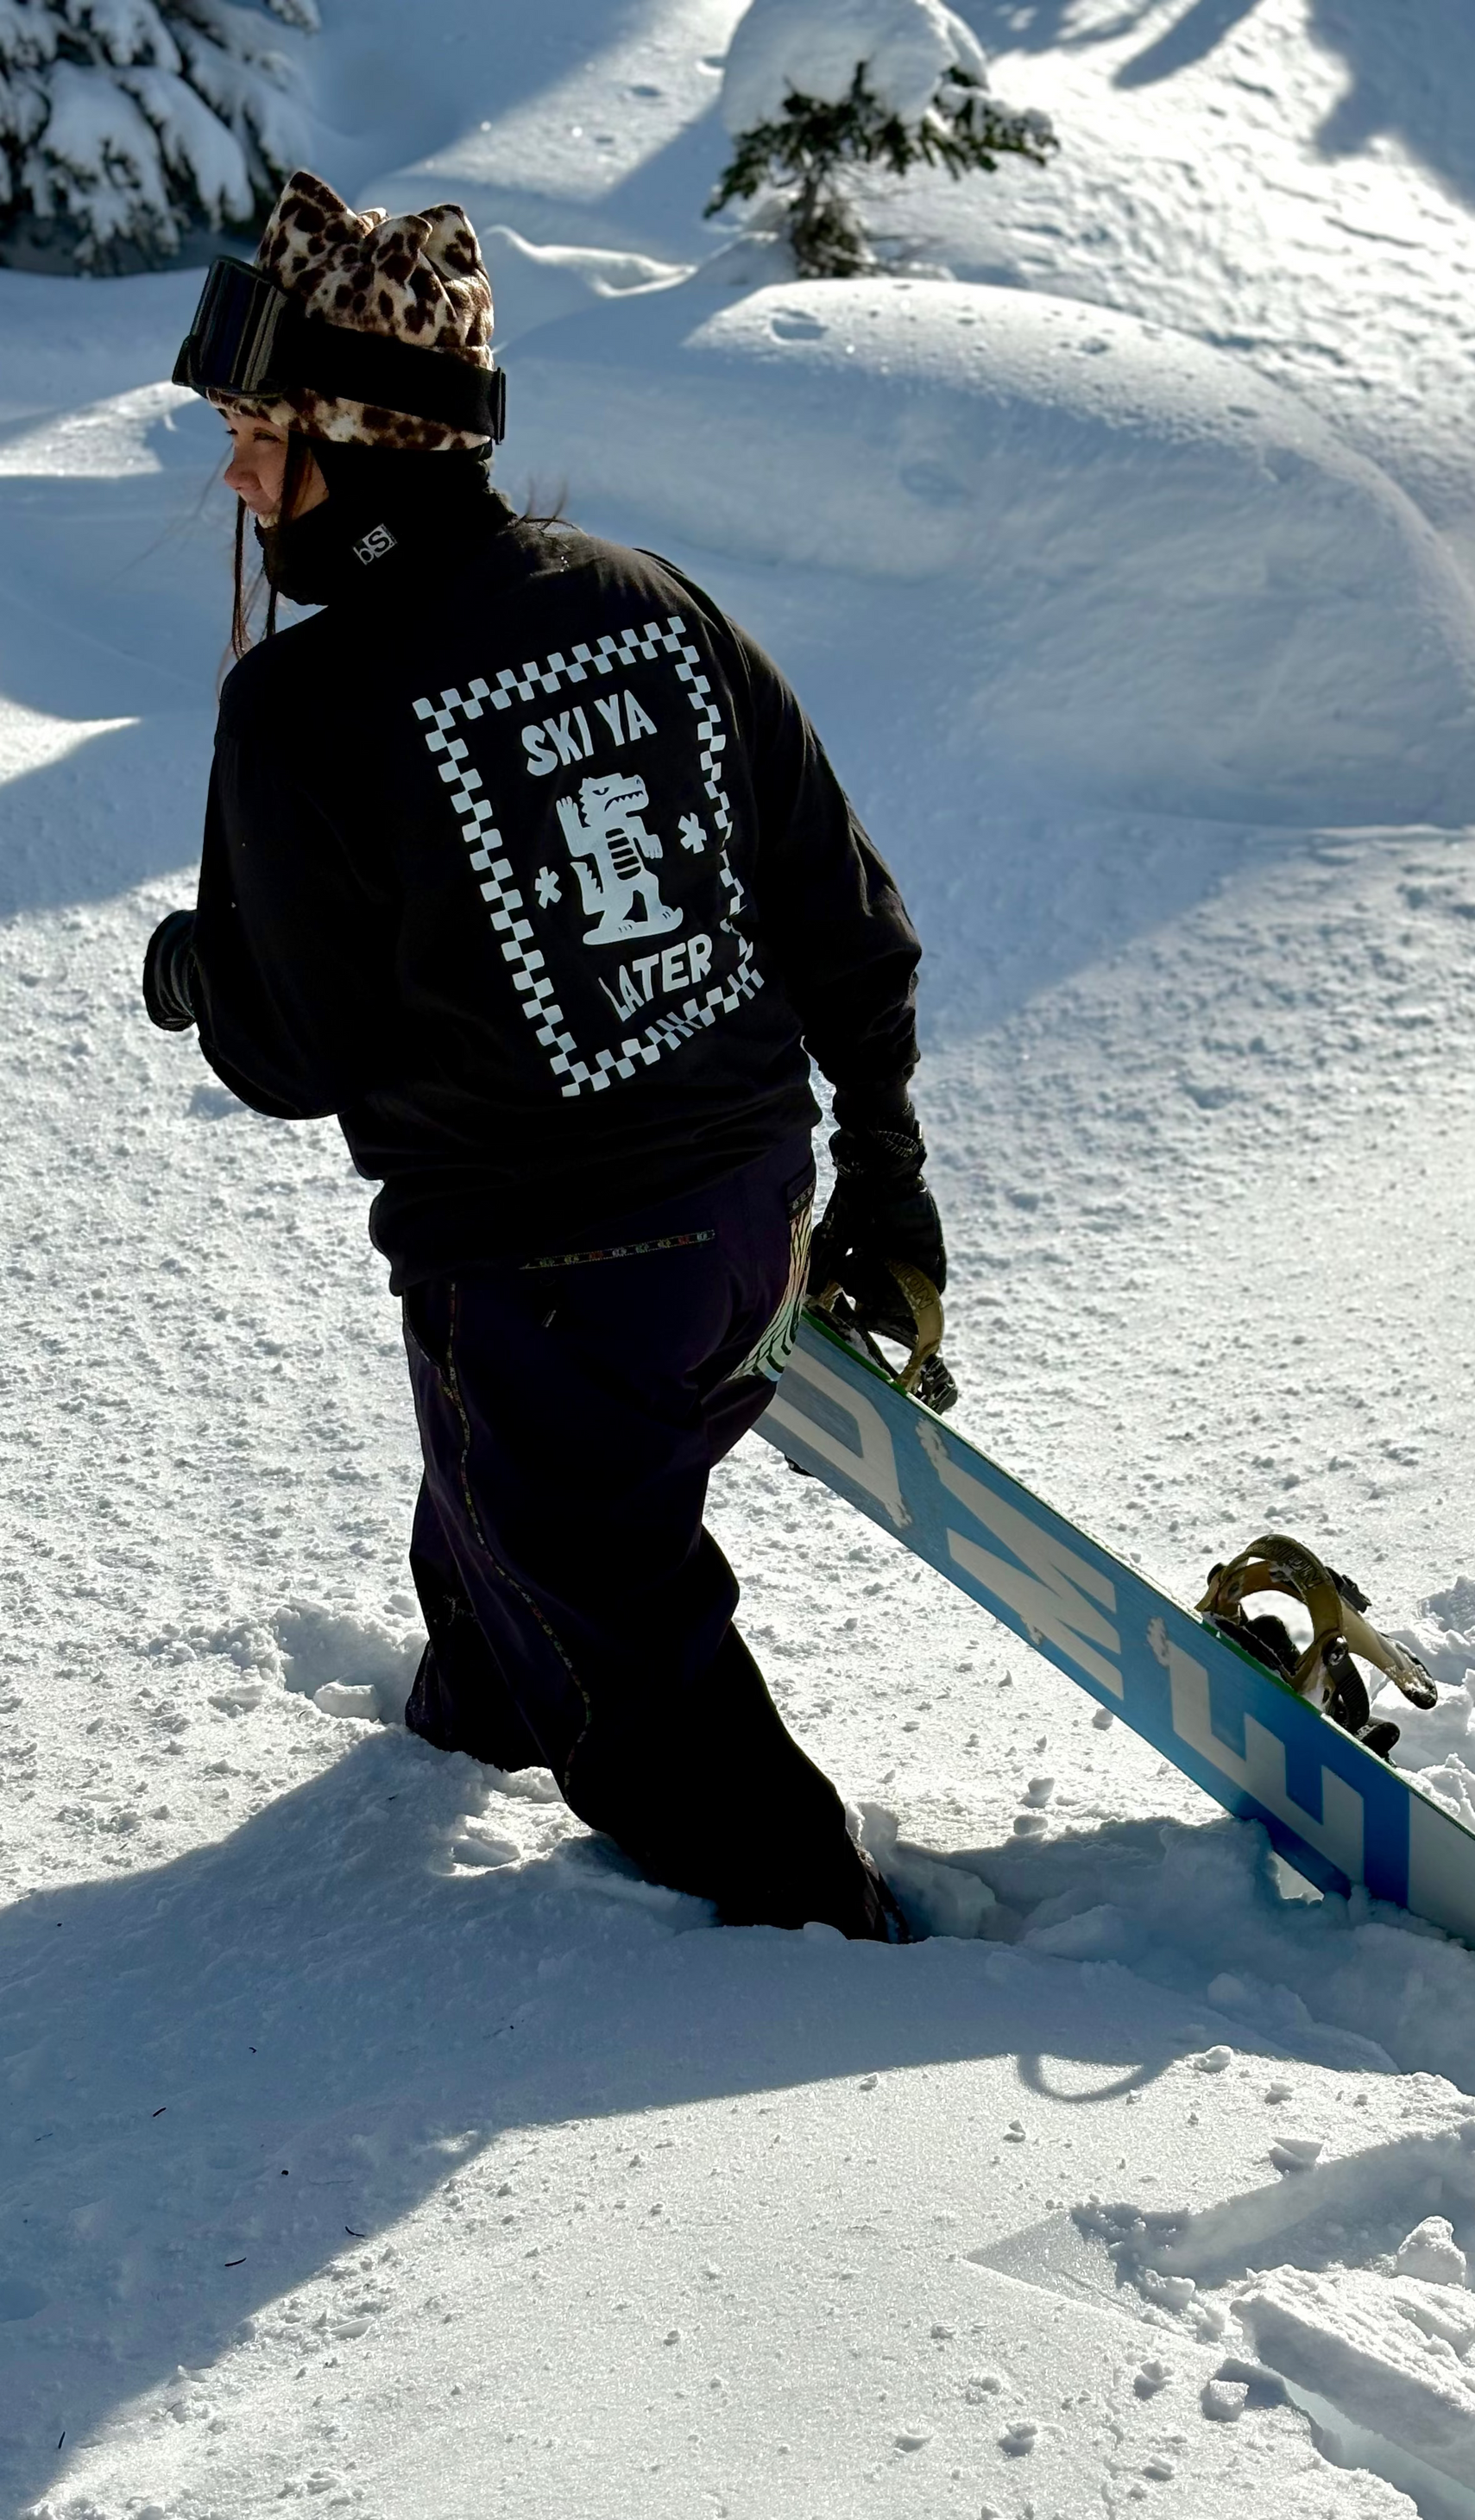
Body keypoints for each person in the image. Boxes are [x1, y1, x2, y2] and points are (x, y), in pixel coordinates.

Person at [144, 170, 945, 1942]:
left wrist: (200, 967)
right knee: (517, 1517)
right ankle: (478, 1707)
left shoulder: (304, 708)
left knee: (628, 1665)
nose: (236, 476)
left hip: (542, 1281)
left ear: (352, 440)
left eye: (259, 435)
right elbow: (841, 907)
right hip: (751, 1223)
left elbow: (287, 1053)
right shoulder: (648, 598)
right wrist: (886, 1177)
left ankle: (854, 1965)